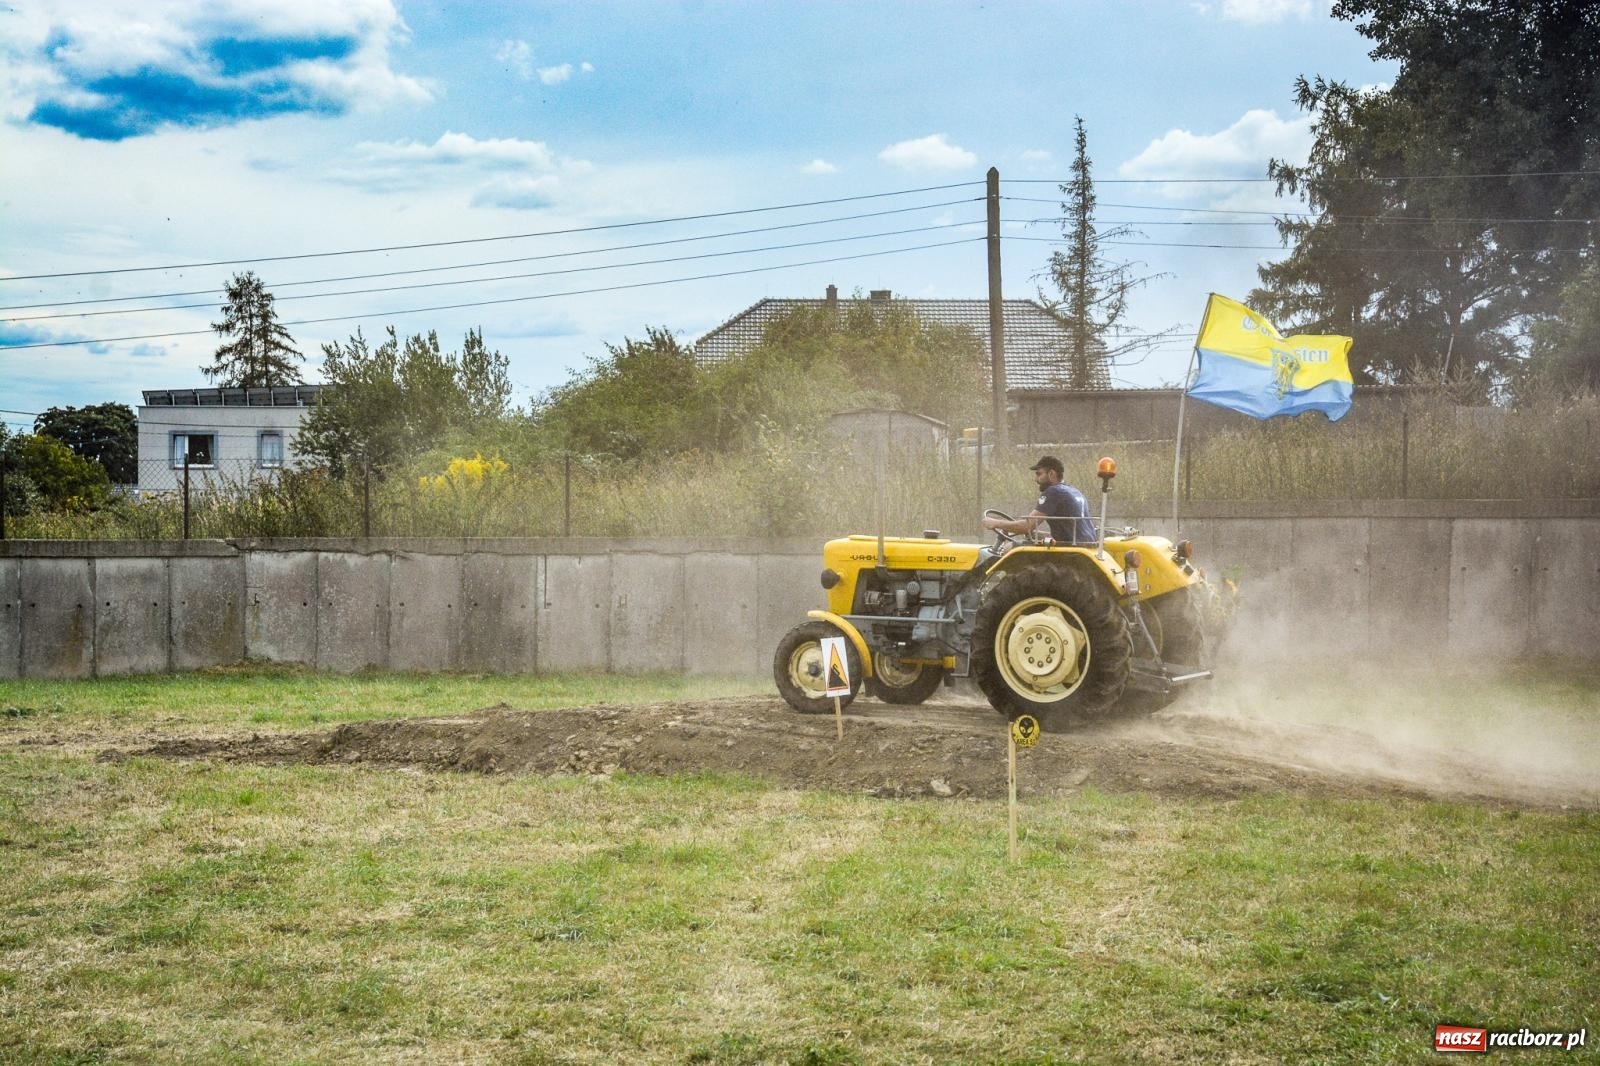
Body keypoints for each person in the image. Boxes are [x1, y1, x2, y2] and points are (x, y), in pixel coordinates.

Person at [981, 455, 1096, 545]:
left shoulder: (1053, 492)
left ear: (1051, 474)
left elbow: (1027, 525)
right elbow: (1067, 534)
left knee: (1009, 548)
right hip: (1085, 545)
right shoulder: (1074, 491)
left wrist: (995, 523)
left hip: (1069, 548)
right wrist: (1035, 534)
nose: (1036, 479)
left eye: (1039, 474)